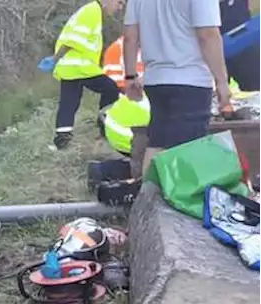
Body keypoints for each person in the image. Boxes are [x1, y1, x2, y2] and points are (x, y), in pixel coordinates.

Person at [124, 0, 232, 175]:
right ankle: (178, 199)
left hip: (155, 80)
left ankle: (148, 197)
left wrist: (130, 76)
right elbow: (207, 35)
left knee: (157, 144)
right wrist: (221, 81)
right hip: (190, 79)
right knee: (189, 150)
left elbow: (130, 36)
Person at [50, 0, 126, 150]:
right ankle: (104, 126)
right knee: (111, 88)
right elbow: (73, 40)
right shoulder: (92, 12)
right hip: (80, 67)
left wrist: (56, 59)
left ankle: (62, 139)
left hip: (70, 66)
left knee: (69, 102)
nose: (120, 7)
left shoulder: (90, 10)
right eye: (119, 2)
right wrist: (54, 58)